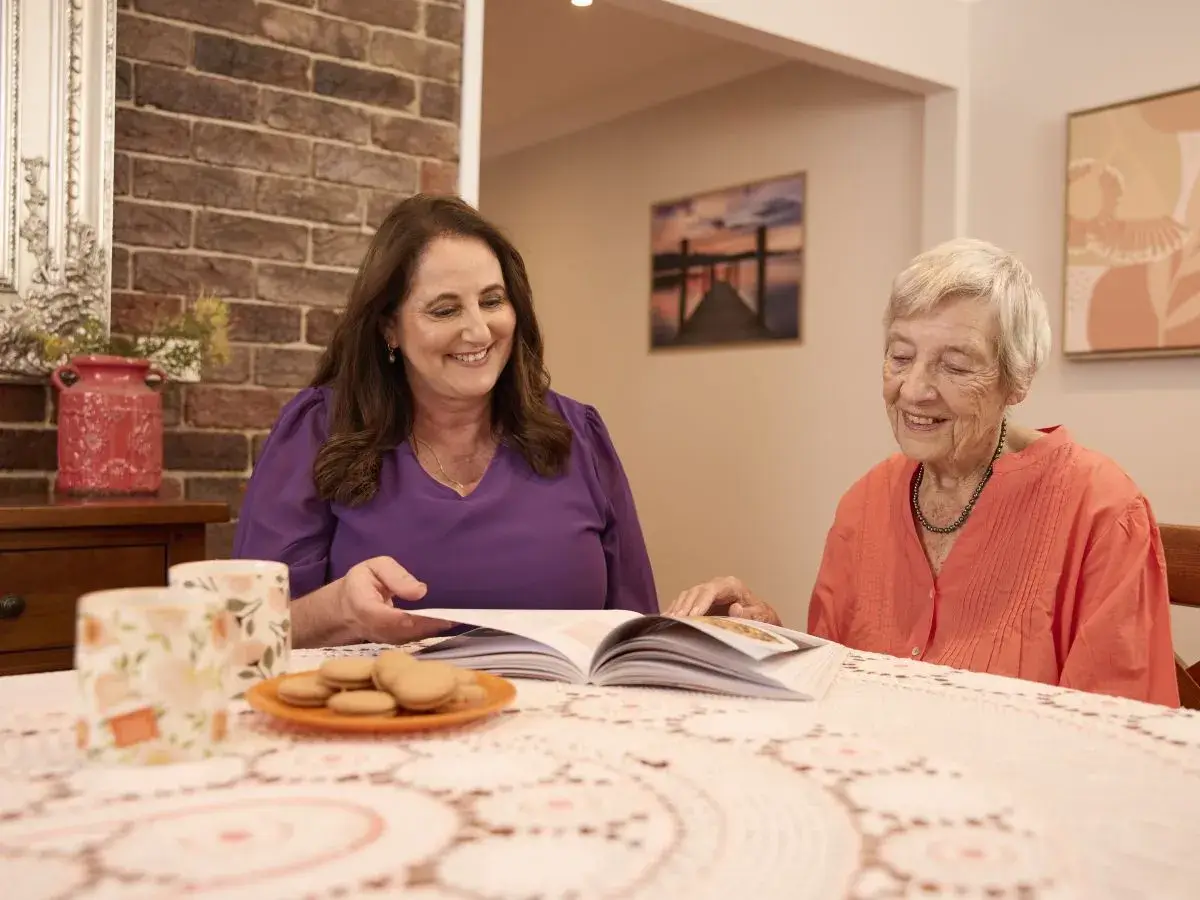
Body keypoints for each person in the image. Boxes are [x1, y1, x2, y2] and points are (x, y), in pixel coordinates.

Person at [670, 238, 1180, 707]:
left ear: (1017, 379)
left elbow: (1118, 732)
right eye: (901, 356)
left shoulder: (1102, 511)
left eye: (955, 366)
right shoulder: (864, 503)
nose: (914, 389)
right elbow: (837, 685)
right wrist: (765, 637)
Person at [233, 194, 658, 648]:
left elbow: (637, 632)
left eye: (492, 301)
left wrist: (717, 630)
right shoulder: (317, 430)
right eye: (445, 309)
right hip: (388, 716)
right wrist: (339, 612)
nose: (478, 331)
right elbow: (244, 634)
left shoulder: (581, 435)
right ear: (389, 328)